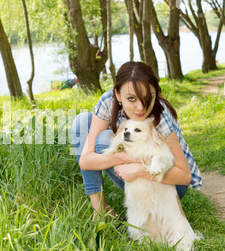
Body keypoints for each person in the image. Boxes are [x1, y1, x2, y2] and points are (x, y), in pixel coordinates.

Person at [71, 61, 203, 221]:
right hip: (135, 173)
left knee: (104, 140)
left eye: (147, 97)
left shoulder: (160, 116)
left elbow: (184, 176)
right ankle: (101, 211)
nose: (141, 107)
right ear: (118, 95)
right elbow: (85, 161)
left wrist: (140, 169)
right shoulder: (108, 101)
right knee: (83, 121)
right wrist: (126, 158)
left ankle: (153, 214)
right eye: (132, 99)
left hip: (169, 182)